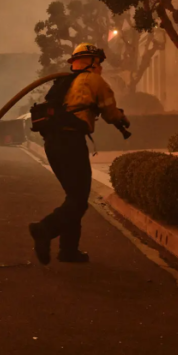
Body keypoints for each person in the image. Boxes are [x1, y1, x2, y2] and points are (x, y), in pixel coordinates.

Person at [28, 43, 130, 264]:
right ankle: (44, 229)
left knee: (74, 197)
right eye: (99, 63)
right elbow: (110, 112)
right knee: (79, 200)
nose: (101, 68)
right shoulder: (93, 80)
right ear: (92, 61)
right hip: (70, 142)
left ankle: (68, 251)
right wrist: (121, 119)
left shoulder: (66, 82)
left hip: (53, 144)